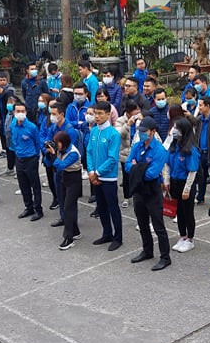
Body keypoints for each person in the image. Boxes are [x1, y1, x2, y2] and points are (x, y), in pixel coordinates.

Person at [126, 117, 171, 271]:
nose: (141, 133)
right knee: (142, 223)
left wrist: (137, 167)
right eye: (140, 131)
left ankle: (165, 257)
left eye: (144, 131)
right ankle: (147, 250)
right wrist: (141, 167)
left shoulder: (159, 150)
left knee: (158, 225)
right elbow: (127, 165)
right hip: (139, 189)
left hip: (152, 191)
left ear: (152, 132)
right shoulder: (137, 146)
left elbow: (152, 174)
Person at [88, 101, 124, 251]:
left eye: (100, 113)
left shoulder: (113, 134)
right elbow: (89, 152)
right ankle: (107, 233)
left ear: (108, 114)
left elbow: (112, 158)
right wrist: (91, 171)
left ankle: (118, 238)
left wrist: (97, 172)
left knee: (113, 208)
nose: (97, 116)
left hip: (108, 178)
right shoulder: (94, 131)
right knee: (101, 207)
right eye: (95, 113)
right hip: (95, 176)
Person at [164, 117, 200, 253]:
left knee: (187, 212)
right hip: (174, 183)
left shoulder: (191, 150)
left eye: (177, 128)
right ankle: (182, 236)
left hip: (186, 184)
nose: (174, 130)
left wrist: (187, 189)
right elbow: (167, 164)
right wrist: (167, 181)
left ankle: (190, 239)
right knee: (178, 211)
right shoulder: (173, 146)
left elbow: (192, 171)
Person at [8, 101, 43, 221]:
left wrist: (36, 157)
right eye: (18, 111)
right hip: (19, 158)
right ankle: (28, 207)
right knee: (23, 185)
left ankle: (38, 209)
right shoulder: (13, 125)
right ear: (14, 112)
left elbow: (38, 143)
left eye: (22, 111)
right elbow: (13, 140)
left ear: (26, 112)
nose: (20, 113)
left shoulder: (32, 127)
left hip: (31, 159)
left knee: (35, 185)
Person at [51, 130, 83, 250]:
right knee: (67, 205)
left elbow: (61, 165)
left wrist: (54, 155)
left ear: (64, 142)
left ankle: (68, 238)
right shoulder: (61, 149)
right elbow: (51, 164)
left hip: (74, 179)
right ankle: (75, 231)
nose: (56, 145)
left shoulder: (73, 152)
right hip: (65, 177)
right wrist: (49, 153)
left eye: (57, 143)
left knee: (68, 207)